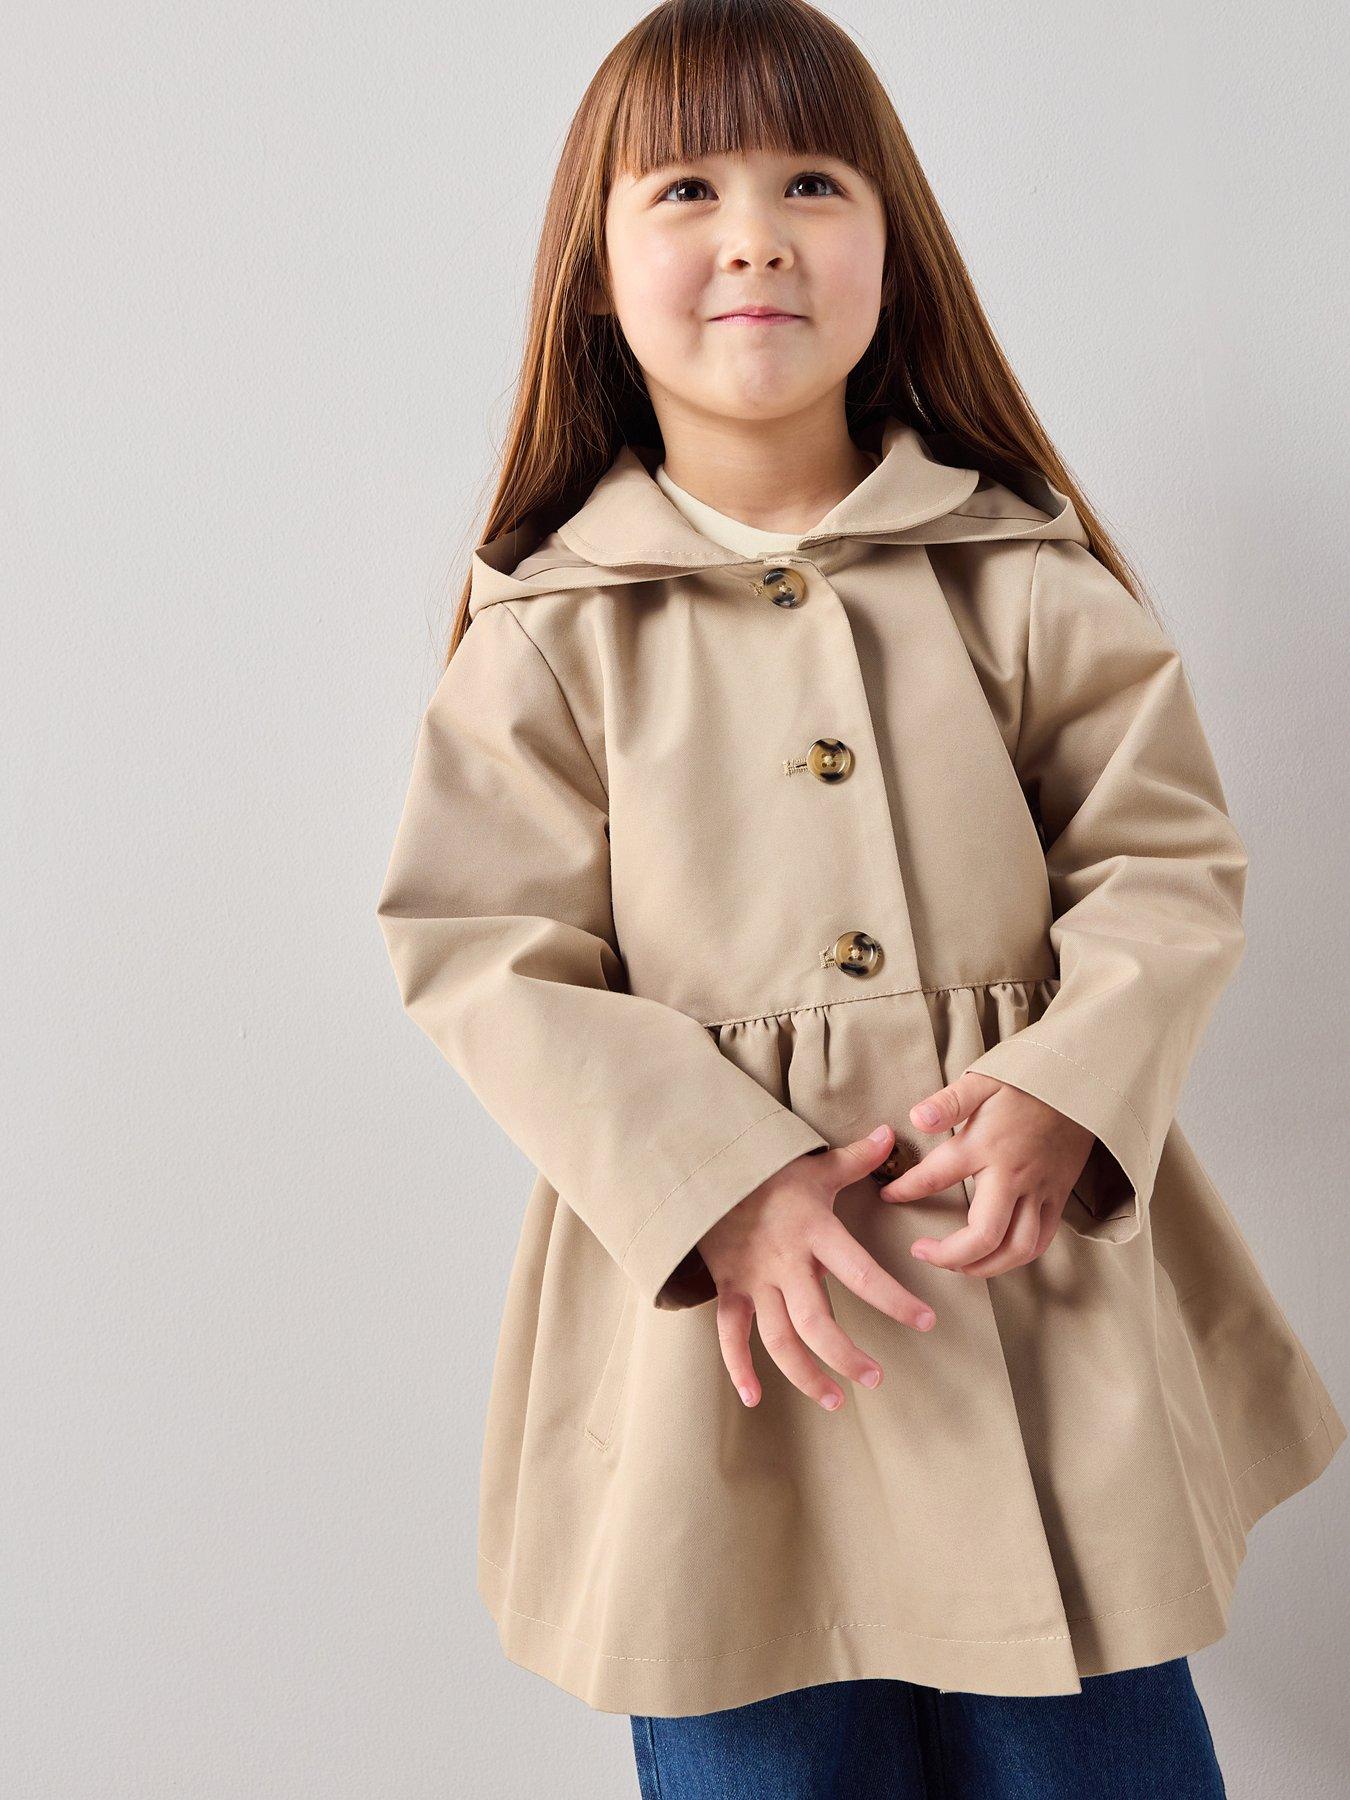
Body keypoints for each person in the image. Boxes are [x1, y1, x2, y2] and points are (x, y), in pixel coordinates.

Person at [374, 0, 1346, 1792]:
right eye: (686, 189)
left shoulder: (1015, 574)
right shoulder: (550, 633)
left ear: (892, 251)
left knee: (1096, 1746)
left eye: (810, 182)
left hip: (1029, 1304)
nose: (754, 234)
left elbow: (1161, 860)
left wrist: (1070, 1080)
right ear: (594, 275)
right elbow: (482, 951)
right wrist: (714, 1180)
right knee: (762, 1738)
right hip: (730, 1373)